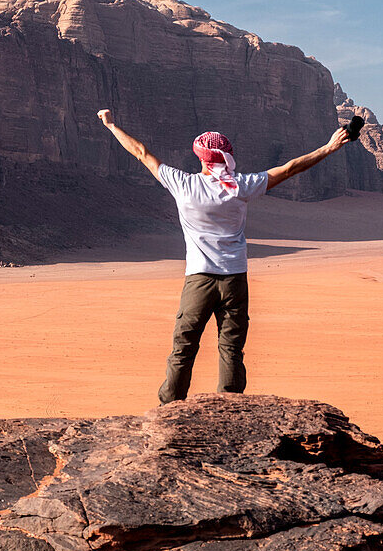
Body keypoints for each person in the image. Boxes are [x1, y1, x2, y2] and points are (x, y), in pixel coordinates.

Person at [97, 108, 351, 403]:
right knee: (230, 346)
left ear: (201, 158)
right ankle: (230, 407)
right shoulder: (240, 187)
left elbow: (141, 152)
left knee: (185, 344)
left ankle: (169, 405)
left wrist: (111, 125)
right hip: (234, 279)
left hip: (199, 280)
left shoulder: (184, 184)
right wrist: (329, 147)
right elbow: (290, 168)